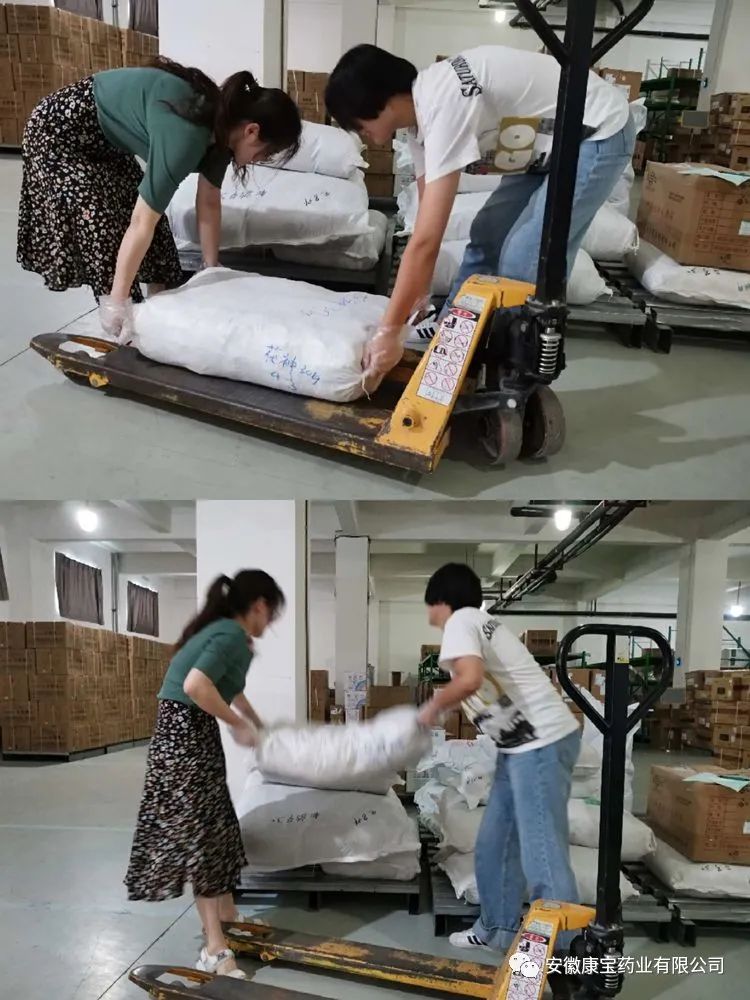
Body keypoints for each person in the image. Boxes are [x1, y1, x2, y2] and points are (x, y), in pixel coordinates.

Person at [325, 45, 635, 377]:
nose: (364, 135)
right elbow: (429, 218)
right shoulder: (421, 120)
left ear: (380, 101)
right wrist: (419, 291)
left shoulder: (443, 103)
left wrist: (389, 331)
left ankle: (512, 369)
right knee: (487, 233)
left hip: (598, 131)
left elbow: (426, 241)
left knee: (524, 254)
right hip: (545, 144)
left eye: (359, 125)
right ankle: (455, 334)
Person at [17, 57, 302, 340]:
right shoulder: (187, 134)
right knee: (101, 226)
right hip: (58, 131)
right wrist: (118, 301)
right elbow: (141, 221)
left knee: (158, 234)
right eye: (266, 153)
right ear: (252, 131)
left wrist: (211, 267)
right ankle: (118, 319)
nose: (261, 160)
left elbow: (208, 201)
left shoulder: (222, 140)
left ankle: (158, 312)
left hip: (103, 143)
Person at [125, 569, 285, 980]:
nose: (270, 623)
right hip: (183, 737)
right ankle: (213, 947)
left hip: (189, 733)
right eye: (272, 614)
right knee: (202, 838)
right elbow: (197, 686)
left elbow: (226, 685)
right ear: (260, 606)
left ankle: (227, 917)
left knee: (218, 826)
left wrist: (256, 722)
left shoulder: (227, 634)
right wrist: (238, 724)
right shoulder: (229, 634)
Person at [417, 563, 581, 954]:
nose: (428, 614)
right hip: (518, 747)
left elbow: (470, 678)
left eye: (429, 604)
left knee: (542, 854)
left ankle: (563, 953)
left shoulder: (461, 620)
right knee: (494, 843)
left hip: (540, 744)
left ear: (441, 600)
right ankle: (498, 929)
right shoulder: (479, 623)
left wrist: (432, 707)